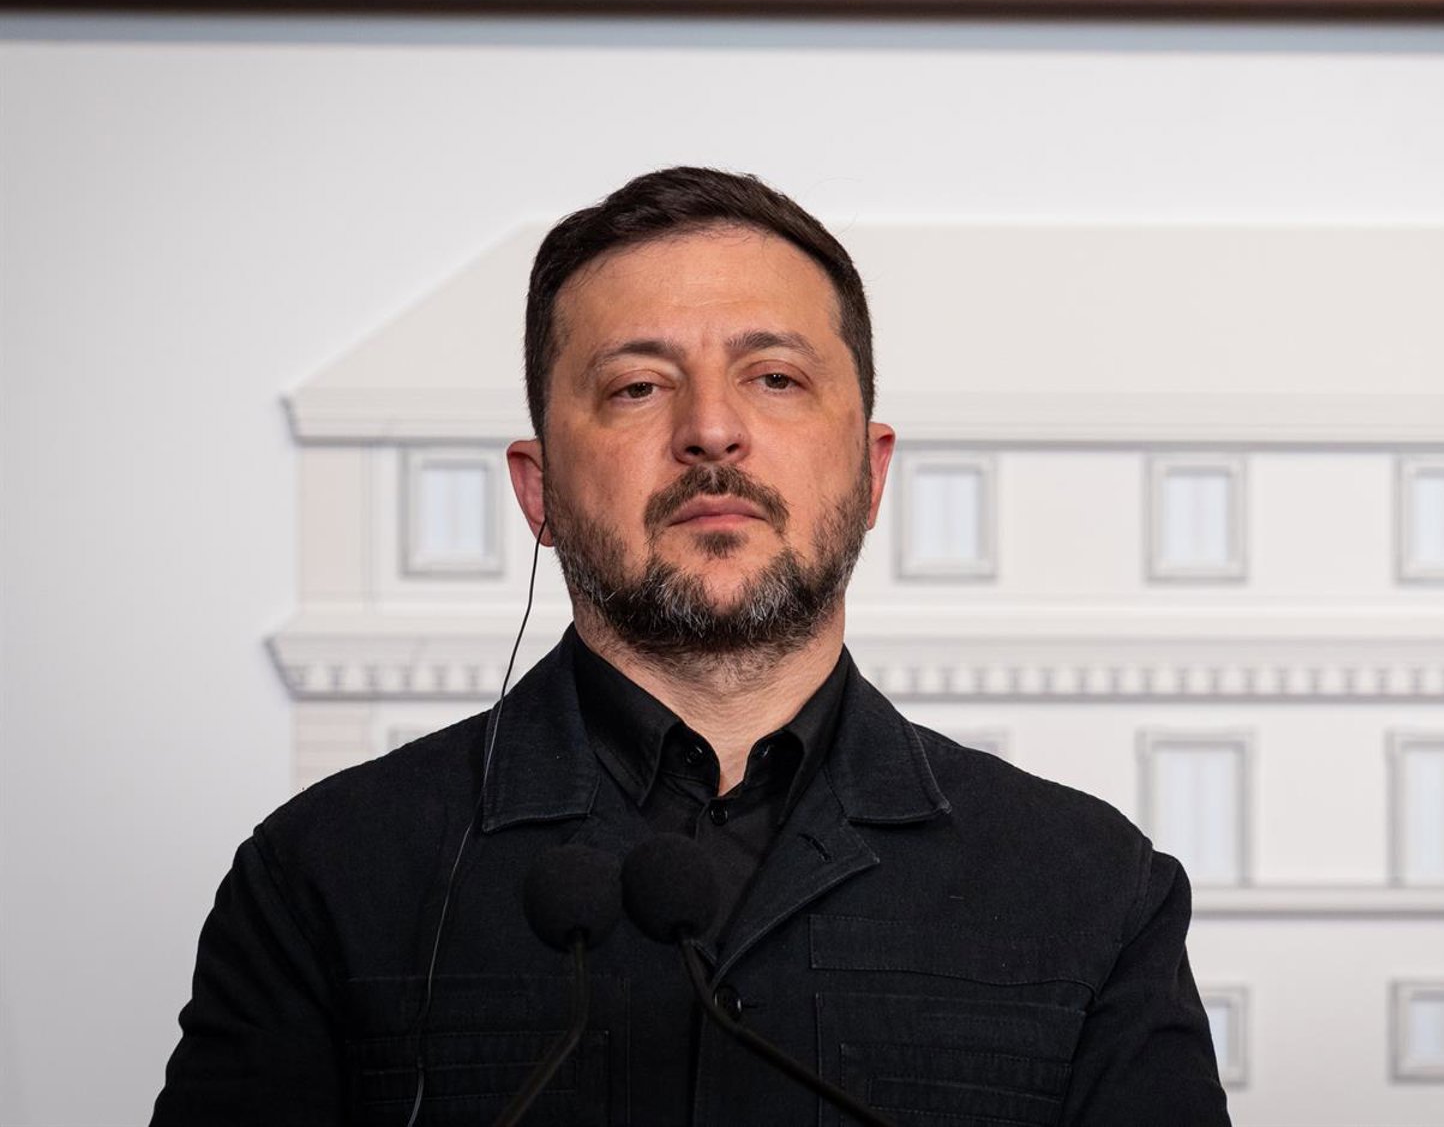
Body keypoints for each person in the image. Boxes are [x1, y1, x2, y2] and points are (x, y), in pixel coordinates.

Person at [153, 167, 1231, 1126]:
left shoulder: (1093, 891)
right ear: (538, 488)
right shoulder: (325, 878)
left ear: (871, 474)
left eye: (775, 378)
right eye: (637, 387)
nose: (711, 430)